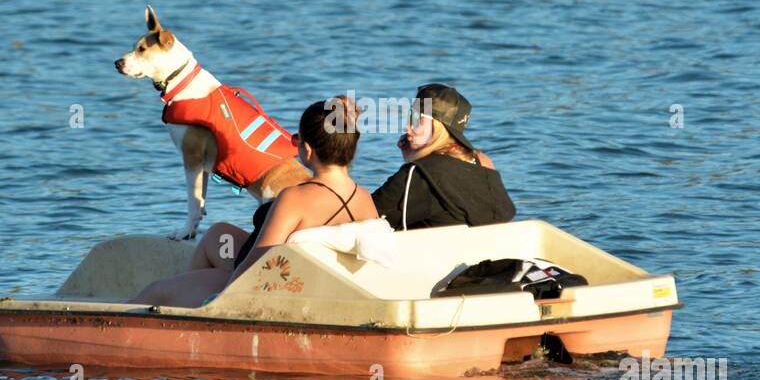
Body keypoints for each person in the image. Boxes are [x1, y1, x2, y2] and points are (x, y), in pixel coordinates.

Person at [130, 95, 378, 306]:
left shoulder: (294, 198)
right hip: (315, 281)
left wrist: (219, 301)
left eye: (296, 141)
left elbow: (258, 262)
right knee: (219, 234)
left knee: (156, 292)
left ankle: (192, 319)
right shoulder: (364, 198)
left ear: (308, 151)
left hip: (275, 287)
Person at [371, 83, 515, 230]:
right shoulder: (483, 163)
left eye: (415, 118)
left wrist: (413, 167)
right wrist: (414, 159)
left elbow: (364, 216)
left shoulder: (421, 174)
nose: (407, 126)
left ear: (436, 125)